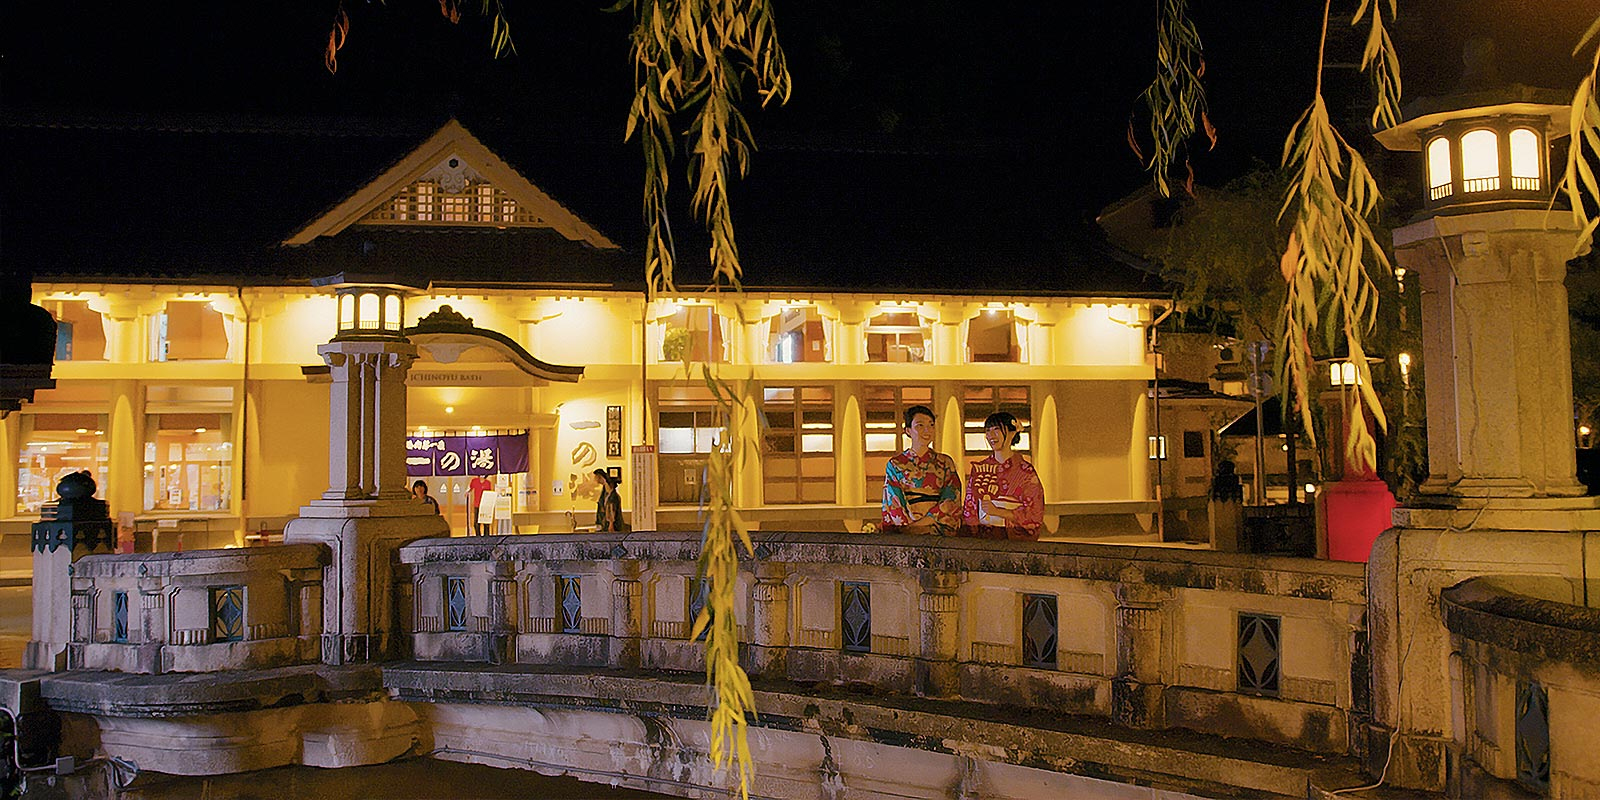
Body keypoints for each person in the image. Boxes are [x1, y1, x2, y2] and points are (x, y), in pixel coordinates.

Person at [962, 411, 1045, 541]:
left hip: (1012, 537)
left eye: (997, 430)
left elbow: (1034, 513)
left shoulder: (1026, 471)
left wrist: (999, 512)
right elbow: (970, 505)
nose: (991, 435)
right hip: (984, 537)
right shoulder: (980, 469)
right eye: (988, 431)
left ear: (1012, 433)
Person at [881, 404, 962, 535]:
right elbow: (893, 500)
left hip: (937, 529)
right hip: (908, 531)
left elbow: (951, 497)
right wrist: (909, 527)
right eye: (920, 425)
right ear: (908, 430)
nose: (927, 430)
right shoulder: (896, 464)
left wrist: (927, 522)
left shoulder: (945, 462)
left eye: (931, 425)